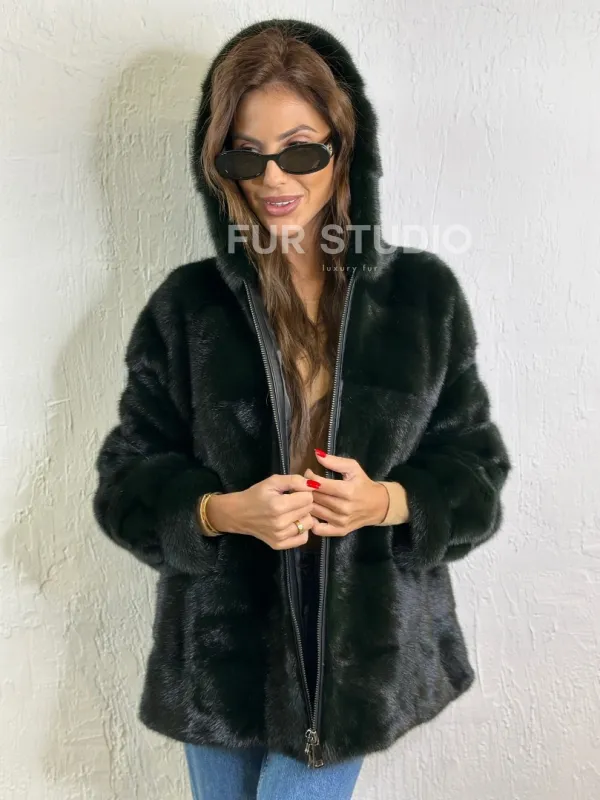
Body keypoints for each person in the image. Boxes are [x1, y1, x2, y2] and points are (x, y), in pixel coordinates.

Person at [92, 18, 512, 800]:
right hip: (219, 664)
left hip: (359, 666)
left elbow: (476, 472)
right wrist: (218, 513)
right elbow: (125, 482)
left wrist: (388, 502)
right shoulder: (188, 308)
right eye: (246, 153)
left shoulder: (421, 300)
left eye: (301, 150)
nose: (274, 177)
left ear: (345, 149)